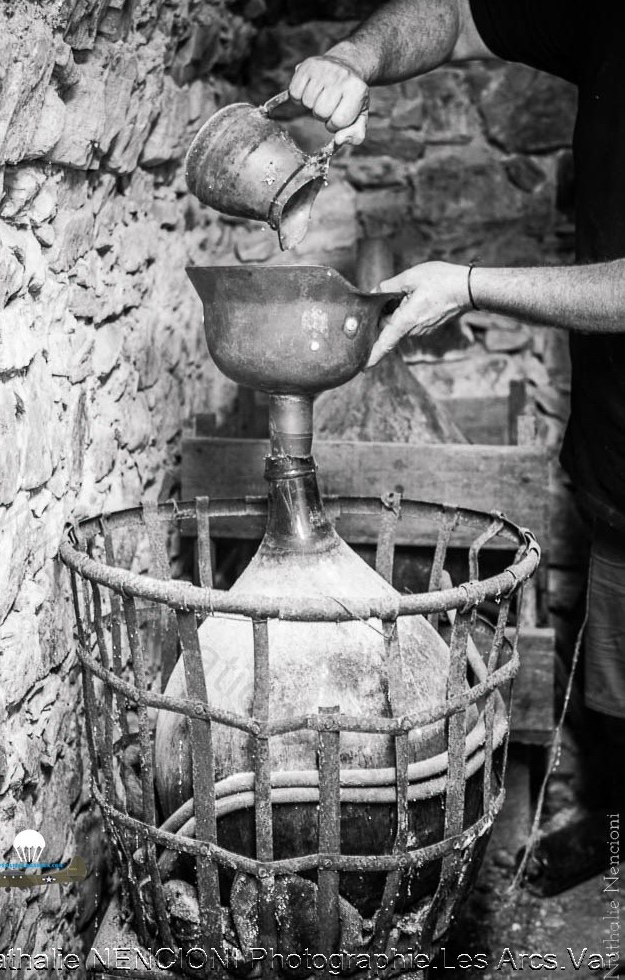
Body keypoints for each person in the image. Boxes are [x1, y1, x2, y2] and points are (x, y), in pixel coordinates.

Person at [288, 1, 625, 823]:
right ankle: (613, 845)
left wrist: (467, 284)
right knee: (616, 701)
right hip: (617, 463)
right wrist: (353, 57)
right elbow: (456, 14)